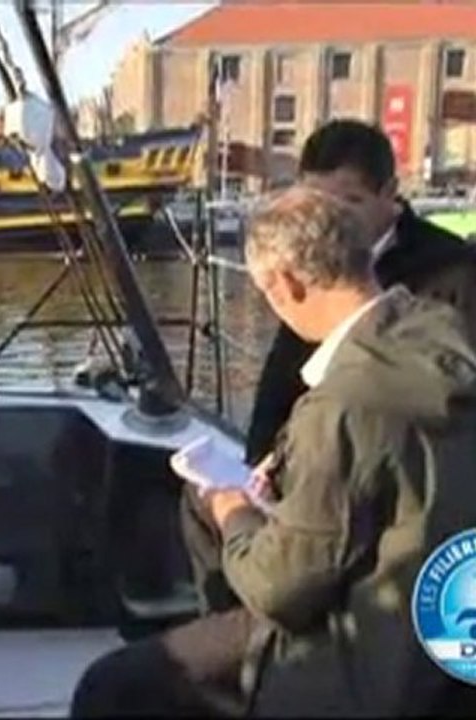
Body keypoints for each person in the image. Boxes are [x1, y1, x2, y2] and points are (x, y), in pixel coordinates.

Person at [70, 186, 476, 716]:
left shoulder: (343, 403)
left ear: (286, 284)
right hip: (439, 644)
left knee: (113, 688)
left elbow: (281, 590)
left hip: (365, 660)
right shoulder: (440, 333)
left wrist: (233, 511)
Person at [245, 119, 476, 468]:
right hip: (314, 453)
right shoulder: (307, 257)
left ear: (390, 192)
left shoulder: (456, 271)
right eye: (315, 203)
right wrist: (261, 461)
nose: (327, 219)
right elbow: (284, 374)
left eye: (348, 202)